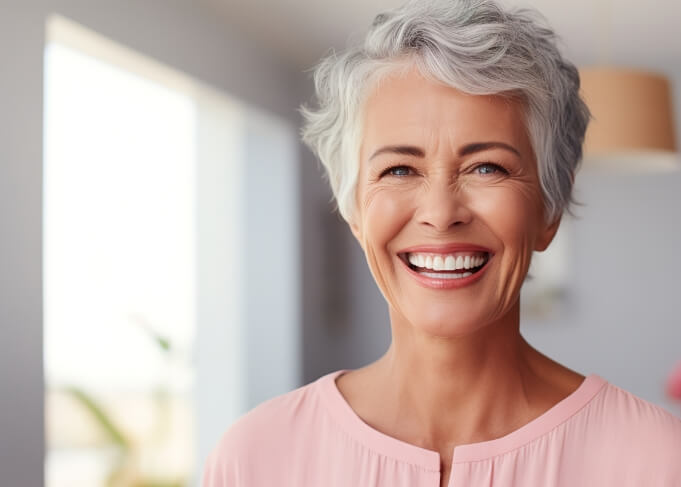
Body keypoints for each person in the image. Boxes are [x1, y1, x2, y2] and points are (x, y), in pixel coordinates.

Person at [203, 0, 681, 485]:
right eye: (399, 170)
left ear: (550, 209)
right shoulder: (256, 458)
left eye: (486, 167)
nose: (440, 213)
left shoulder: (657, 461)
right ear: (354, 210)